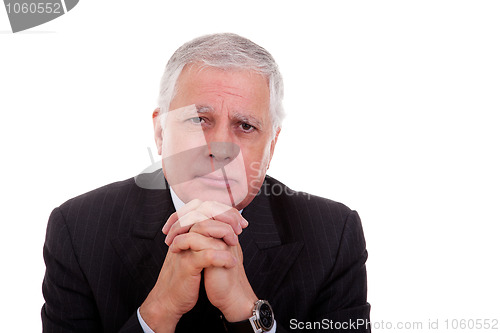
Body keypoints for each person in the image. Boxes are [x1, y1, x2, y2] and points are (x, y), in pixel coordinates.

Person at [41, 33, 371, 332]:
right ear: (160, 133)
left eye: (245, 125)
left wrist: (249, 312)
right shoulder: (78, 228)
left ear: (271, 146)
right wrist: (158, 312)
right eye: (199, 120)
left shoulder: (333, 235)